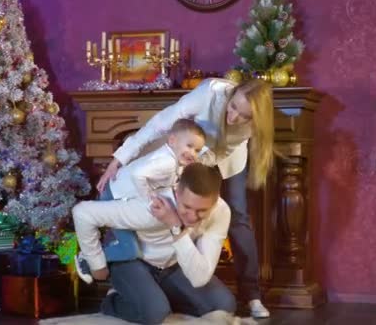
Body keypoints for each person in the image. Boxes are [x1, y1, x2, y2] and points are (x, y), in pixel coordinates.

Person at [96, 78, 274, 318]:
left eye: (244, 116)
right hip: (188, 145)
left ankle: (251, 293)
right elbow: (159, 124)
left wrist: (194, 166)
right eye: (233, 108)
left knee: (237, 216)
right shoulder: (210, 94)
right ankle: (134, 284)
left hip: (213, 156)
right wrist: (119, 159)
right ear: (230, 96)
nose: (234, 118)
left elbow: (221, 153)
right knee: (158, 199)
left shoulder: (249, 127)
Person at [73, 163, 235, 324]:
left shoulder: (221, 212)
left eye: (201, 211)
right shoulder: (149, 207)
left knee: (222, 305)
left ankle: (153, 297)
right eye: (187, 207)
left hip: (172, 265)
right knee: (156, 314)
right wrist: (97, 264)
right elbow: (82, 213)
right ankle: (113, 301)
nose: (192, 217)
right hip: (133, 262)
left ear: (215, 202)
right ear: (177, 192)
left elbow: (199, 278)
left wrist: (176, 228)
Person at [75, 118, 207, 284]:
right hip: (114, 194)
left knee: (130, 247)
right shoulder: (166, 162)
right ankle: (86, 259)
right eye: (189, 146)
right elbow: (138, 174)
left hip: (117, 191)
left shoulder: (173, 159)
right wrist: (149, 199)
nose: (193, 153)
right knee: (130, 250)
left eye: (197, 150)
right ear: (172, 140)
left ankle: (101, 256)